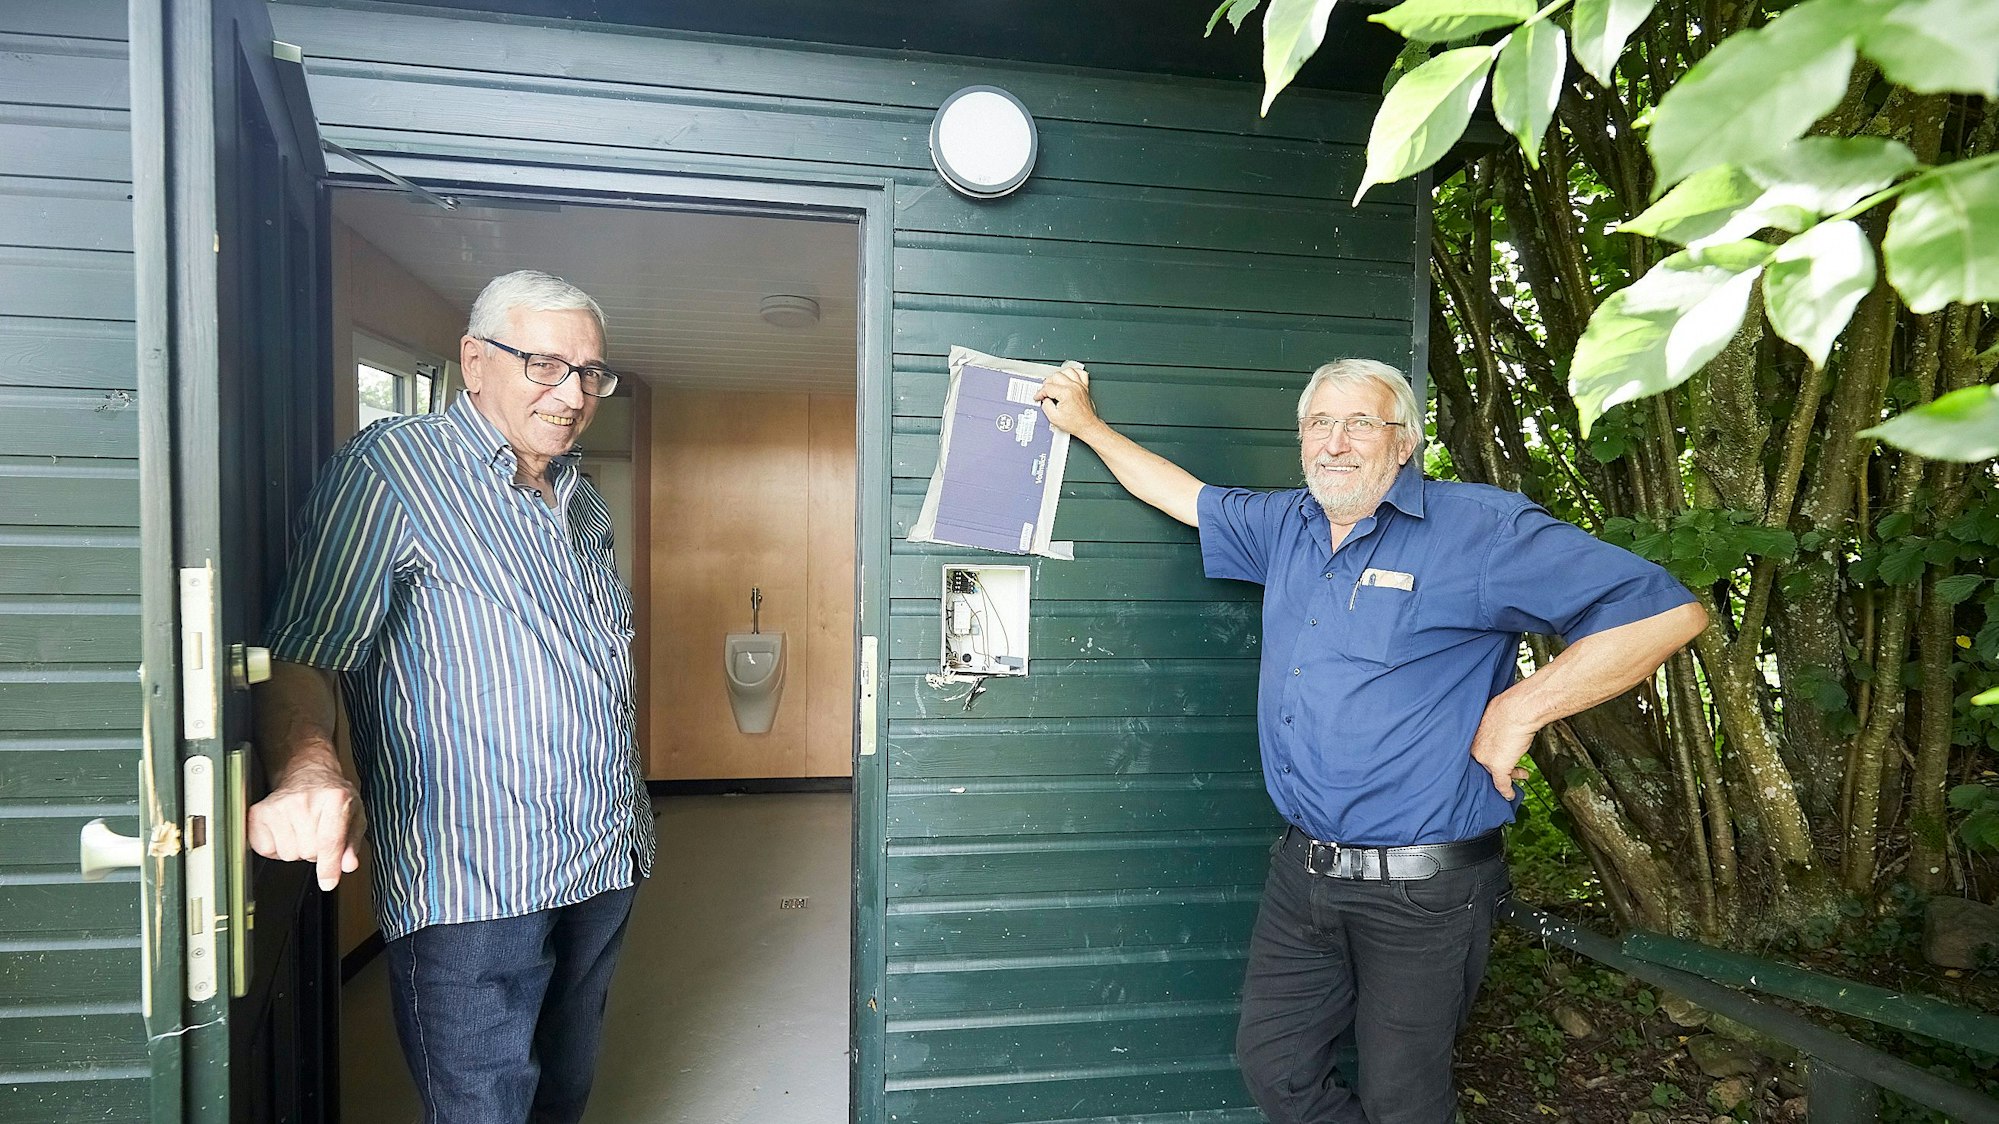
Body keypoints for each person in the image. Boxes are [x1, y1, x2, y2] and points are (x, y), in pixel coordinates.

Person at [1035, 358, 1705, 1124]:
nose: (1335, 442)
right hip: (1304, 871)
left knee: (1403, 1099)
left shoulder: (1478, 530)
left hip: (1423, 891)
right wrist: (1085, 426)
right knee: (1276, 1068)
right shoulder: (1285, 526)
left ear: (1404, 440)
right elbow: (1184, 497)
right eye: (1318, 424)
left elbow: (1663, 613)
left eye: (1359, 422)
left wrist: (1516, 711)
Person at [249, 270, 655, 1124]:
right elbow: (302, 653)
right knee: (484, 1108)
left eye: (590, 372)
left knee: (563, 1090)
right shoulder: (391, 471)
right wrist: (306, 769)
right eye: (545, 364)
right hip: (474, 878)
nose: (573, 392)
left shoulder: (582, 506)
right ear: (475, 361)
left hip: (601, 854)